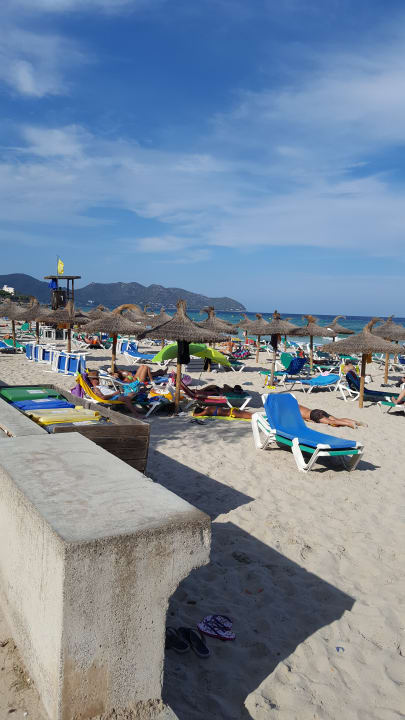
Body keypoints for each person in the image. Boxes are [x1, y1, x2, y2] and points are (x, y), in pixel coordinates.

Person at [193, 401, 366, 428]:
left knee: (330, 422)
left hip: (314, 414)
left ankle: (350, 424)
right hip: (316, 410)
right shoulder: (297, 405)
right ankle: (354, 421)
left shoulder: (291, 409)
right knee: (334, 419)